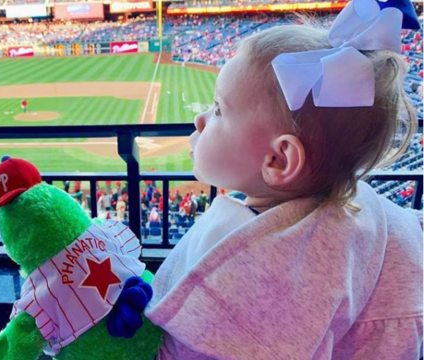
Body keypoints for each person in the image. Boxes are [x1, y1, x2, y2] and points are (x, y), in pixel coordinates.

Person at [145, 3, 423, 360]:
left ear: (278, 160)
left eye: (218, 109)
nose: (201, 119)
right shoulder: (381, 220)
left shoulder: (253, 284)